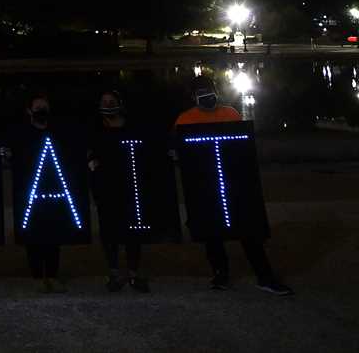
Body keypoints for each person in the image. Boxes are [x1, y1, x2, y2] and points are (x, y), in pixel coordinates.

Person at [175, 78, 293, 296]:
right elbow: (182, 154)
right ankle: (220, 273)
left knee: (248, 230)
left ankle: (264, 276)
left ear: (216, 91)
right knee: (212, 233)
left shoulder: (230, 114)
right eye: (200, 92)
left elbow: (242, 150)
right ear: (193, 96)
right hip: (205, 186)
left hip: (233, 183)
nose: (206, 95)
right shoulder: (184, 120)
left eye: (208, 90)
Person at [87, 90, 148, 293]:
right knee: (109, 231)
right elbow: (89, 155)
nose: (108, 104)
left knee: (133, 231)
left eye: (111, 101)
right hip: (105, 188)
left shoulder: (132, 127)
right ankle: (114, 272)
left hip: (131, 186)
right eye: (104, 101)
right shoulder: (95, 130)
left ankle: (133, 272)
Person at [11, 93, 66, 293]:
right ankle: (36, 277)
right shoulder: (22, 133)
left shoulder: (57, 132)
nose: (42, 110)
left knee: (54, 235)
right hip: (30, 192)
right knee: (32, 235)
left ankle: (52, 276)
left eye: (45, 106)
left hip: (54, 190)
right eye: (38, 107)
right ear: (29, 111)